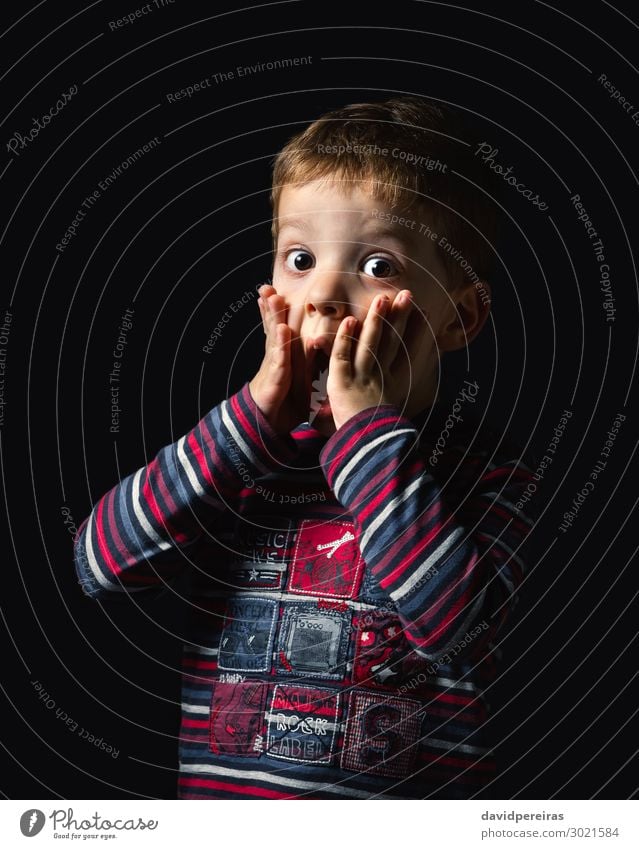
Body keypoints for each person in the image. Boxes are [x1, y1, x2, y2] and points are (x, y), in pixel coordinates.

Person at [73, 96, 537, 799]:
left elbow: (453, 630)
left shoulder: (492, 475)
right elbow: (99, 563)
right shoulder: (240, 458)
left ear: (460, 315)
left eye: (378, 263)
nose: (322, 293)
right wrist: (250, 419)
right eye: (299, 258)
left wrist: (364, 436)